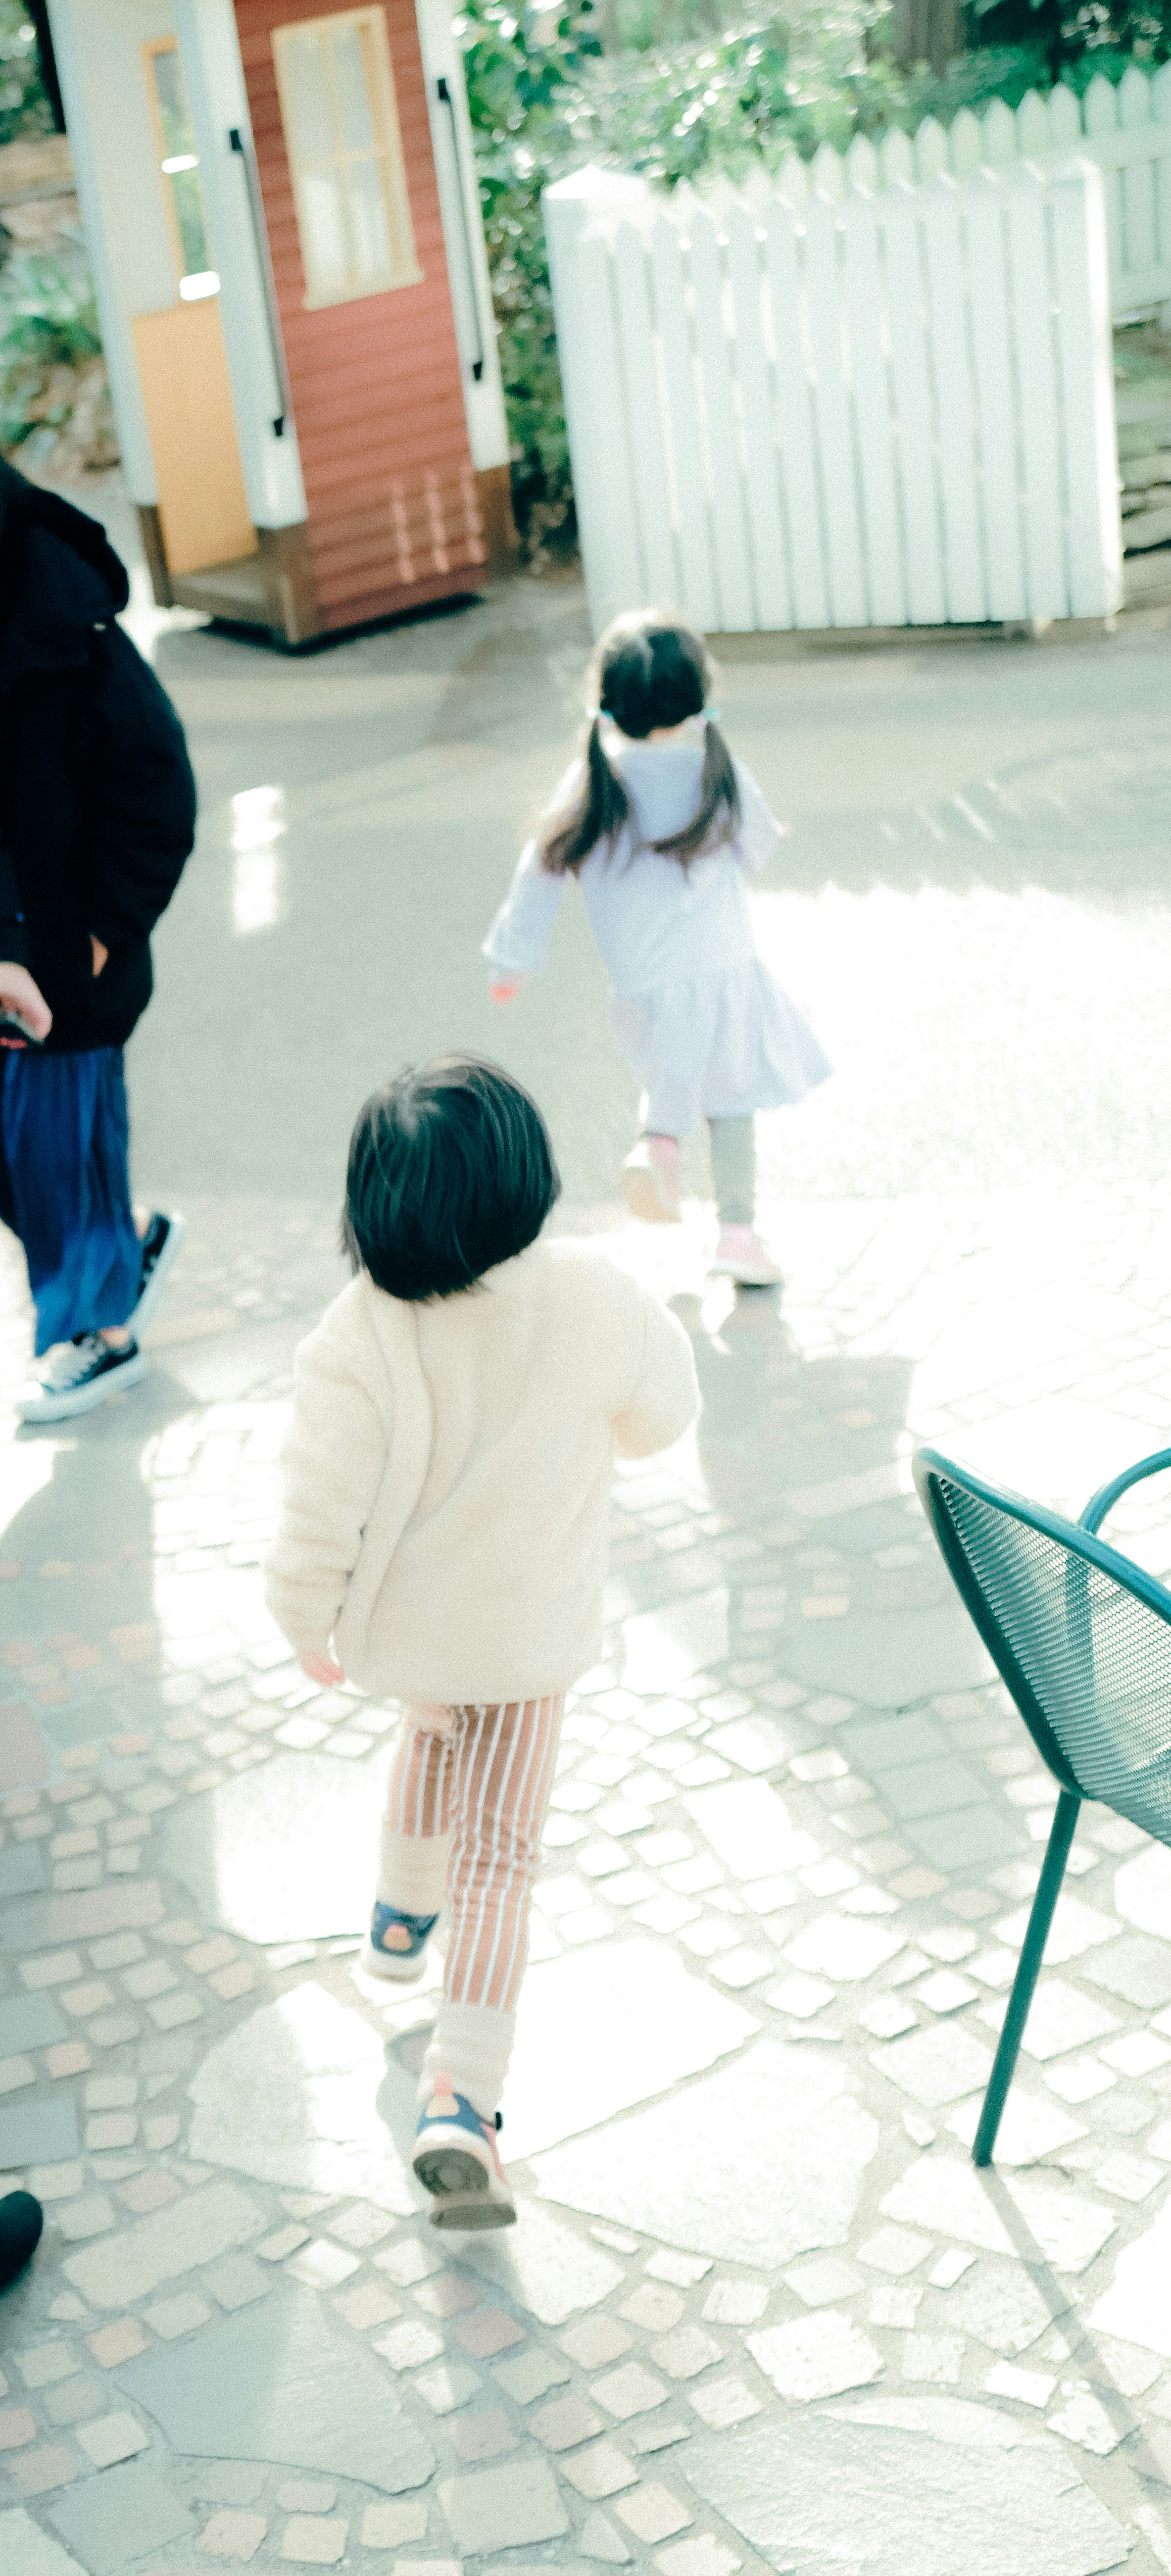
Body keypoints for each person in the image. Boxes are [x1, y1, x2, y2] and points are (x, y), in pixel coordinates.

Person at [262, 1056, 699, 2229]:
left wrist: (307, 1620)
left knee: (429, 1729)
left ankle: (400, 1921)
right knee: (500, 1857)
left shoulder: (356, 1332)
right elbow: (665, 1417)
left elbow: (316, 1507)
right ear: (527, 1180)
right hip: (526, 1640)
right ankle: (462, 2099)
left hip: (407, 1635)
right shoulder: (594, 1295)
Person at [483, 611, 828, 1292]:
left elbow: (540, 869)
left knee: (673, 1073)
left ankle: (661, 1147)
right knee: (733, 1101)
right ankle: (735, 1231)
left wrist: (515, 959)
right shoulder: (717, 770)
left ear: (607, 702)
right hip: (723, 972)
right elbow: (759, 849)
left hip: (638, 988)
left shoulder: (593, 779)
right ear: (700, 697)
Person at [0, 456, 195, 1420]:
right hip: (11, 949)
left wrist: (103, 935)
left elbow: (159, 788)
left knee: (56, 1144)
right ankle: (129, 1239)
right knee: (22, 1155)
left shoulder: (66, 625)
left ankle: (100, 1333)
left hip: (69, 960)